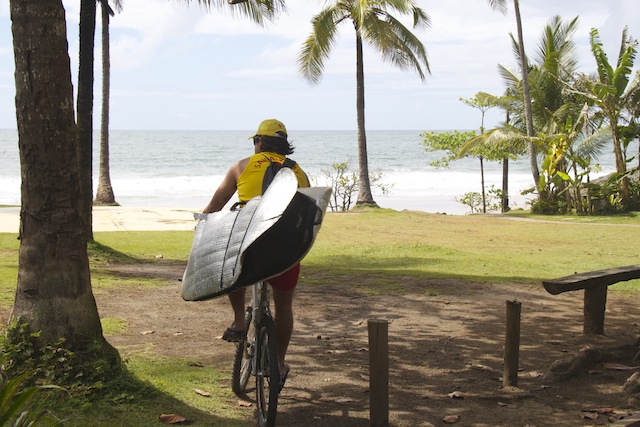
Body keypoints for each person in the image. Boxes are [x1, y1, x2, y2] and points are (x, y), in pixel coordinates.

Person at [202, 118, 310, 389]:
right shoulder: (298, 172)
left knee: (232, 268)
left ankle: (239, 321)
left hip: (248, 245)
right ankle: (279, 363)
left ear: (259, 142)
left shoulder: (242, 166)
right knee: (284, 305)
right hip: (285, 249)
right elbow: (306, 214)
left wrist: (202, 224)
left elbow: (216, 206)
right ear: (284, 146)